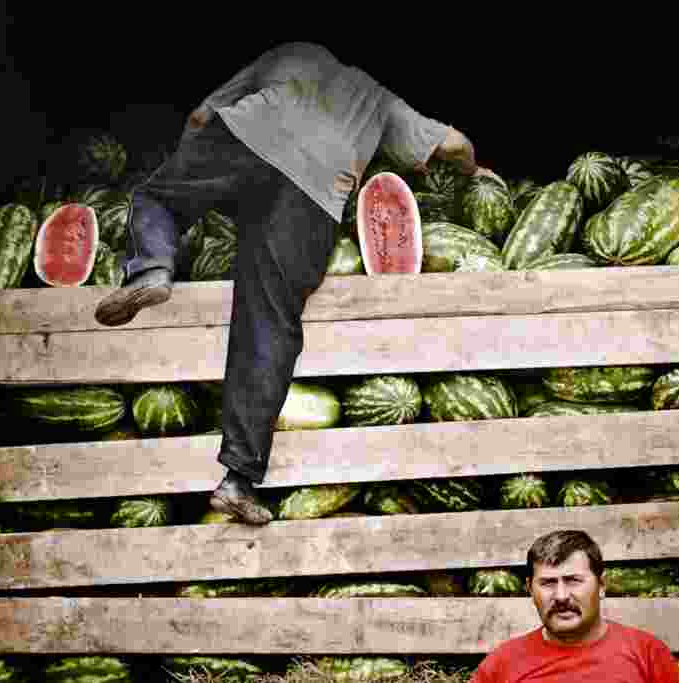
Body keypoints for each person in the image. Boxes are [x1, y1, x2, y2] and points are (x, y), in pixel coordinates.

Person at [94, 42, 495, 525]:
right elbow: (452, 144)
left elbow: (202, 116)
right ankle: (238, 480)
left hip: (246, 141)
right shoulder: (381, 100)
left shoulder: (291, 54)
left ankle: (153, 267)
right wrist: (474, 170)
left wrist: (194, 176)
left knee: (157, 199)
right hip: (314, 198)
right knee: (269, 326)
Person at [470, 530, 679, 683]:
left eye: (573, 580)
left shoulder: (647, 653)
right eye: (548, 583)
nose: (561, 596)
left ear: (601, 585)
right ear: (529, 589)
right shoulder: (502, 664)